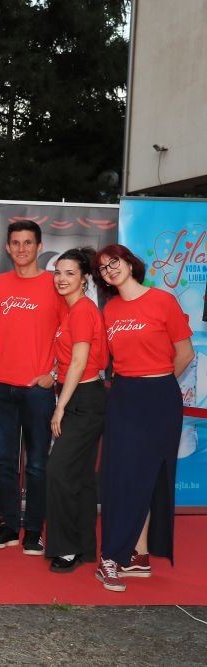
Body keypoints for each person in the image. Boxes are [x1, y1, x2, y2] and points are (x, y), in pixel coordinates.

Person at [93, 244, 193, 592]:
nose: (110, 270)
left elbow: (185, 353)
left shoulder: (163, 301)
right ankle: (115, 555)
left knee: (151, 477)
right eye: (103, 268)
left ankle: (135, 554)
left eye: (114, 262)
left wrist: (158, 383)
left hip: (160, 397)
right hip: (124, 396)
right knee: (121, 477)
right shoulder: (110, 310)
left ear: (129, 262)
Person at [0, 220, 65, 555]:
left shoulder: (54, 285)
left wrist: (54, 373)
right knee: (4, 462)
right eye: (15, 243)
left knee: (37, 464)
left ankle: (33, 529)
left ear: (39, 246)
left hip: (37, 389)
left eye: (28, 242)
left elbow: (72, 335)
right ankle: (8, 525)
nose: (21, 248)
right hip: (0, 386)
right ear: (7, 248)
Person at [45, 248, 108, 573]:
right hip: (79, 397)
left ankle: (67, 548)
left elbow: (80, 363)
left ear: (85, 279)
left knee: (59, 471)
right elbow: (71, 360)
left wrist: (60, 408)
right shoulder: (72, 311)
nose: (61, 278)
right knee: (81, 476)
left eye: (70, 273)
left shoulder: (82, 310)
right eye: (58, 272)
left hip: (84, 400)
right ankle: (83, 546)